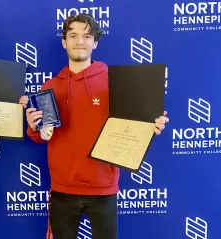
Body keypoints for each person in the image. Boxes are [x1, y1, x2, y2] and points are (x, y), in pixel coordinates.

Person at [19, 13, 169, 239]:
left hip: (103, 188)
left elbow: (134, 123)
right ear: (64, 42)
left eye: (87, 36)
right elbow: (42, 135)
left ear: (95, 42)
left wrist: (151, 125)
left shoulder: (114, 82)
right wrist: (33, 126)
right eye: (73, 35)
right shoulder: (50, 86)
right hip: (62, 189)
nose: (80, 41)